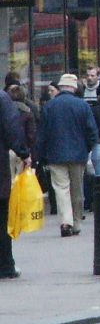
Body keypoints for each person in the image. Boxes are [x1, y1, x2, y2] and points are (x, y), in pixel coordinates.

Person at [35, 73, 97, 237]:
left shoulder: (50, 106)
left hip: (55, 155)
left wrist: (38, 156)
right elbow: (92, 132)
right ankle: (76, 222)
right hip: (78, 155)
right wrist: (87, 148)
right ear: (74, 87)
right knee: (77, 190)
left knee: (61, 189)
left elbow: (42, 134)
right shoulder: (83, 106)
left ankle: (66, 222)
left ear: (61, 87)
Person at [0, 84, 31, 278]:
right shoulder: (2, 99)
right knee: (2, 218)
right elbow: (12, 127)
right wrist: (23, 152)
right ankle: (5, 265)